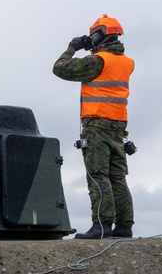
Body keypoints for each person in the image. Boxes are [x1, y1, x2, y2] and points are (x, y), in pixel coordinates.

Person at [53, 14, 135, 239]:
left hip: (96, 124)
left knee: (98, 175)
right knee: (118, 177)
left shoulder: (98, 61)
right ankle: (124, 226)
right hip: (118, 126)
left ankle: (101, 225)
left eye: (92, 35)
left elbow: (59, 68)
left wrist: (72, 47)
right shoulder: (126, 62)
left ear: (100, 34)